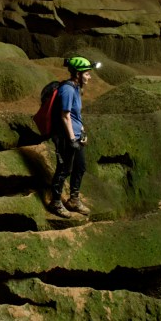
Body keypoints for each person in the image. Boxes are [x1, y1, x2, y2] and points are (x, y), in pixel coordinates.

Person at [47, 56, 98, 218]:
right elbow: (65, 116)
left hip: (76, 135)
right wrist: (71, 139)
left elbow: (76, 114)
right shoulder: (68, 90)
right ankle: (55, 202)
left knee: (80, 167)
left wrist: (82, 132)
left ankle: (73, 200)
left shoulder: (76, 87)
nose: (89, 76)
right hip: (65, 136)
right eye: (87, 73)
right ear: (77, 73)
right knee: (64, 170)